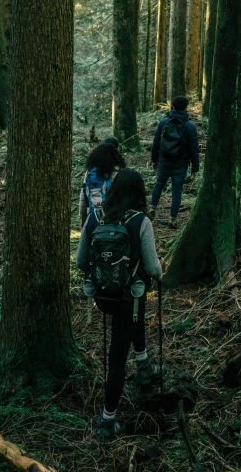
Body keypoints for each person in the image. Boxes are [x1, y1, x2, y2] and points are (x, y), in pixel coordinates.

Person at [76, 168, 164, 443]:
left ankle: (143, 364)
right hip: (129, 300)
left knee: (133, 317)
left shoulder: (94, 217)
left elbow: (80, 262)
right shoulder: (141, 222)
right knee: (116, 359)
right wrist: (158, 269)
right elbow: (152, 269)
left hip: (103, 297)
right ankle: (107, 420)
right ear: (139, 193)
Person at [150, 96, 199, 229]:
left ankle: (152, 210)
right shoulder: (190, 126)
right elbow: (194, 149)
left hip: (164, 161)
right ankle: (172, 220)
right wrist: (195, 168)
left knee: (159, 184)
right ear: (186, 108)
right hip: (181, 164)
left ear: (172, 106)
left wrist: (154, 160)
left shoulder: (163, 123)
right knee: (176, 192)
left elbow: (156, 144)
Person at [79, 137, 126, 228]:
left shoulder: (91, 172)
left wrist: (83, 218)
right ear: (117, 150)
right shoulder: (121, 171)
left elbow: (84, 196)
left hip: (93, 218)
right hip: (117, 220)